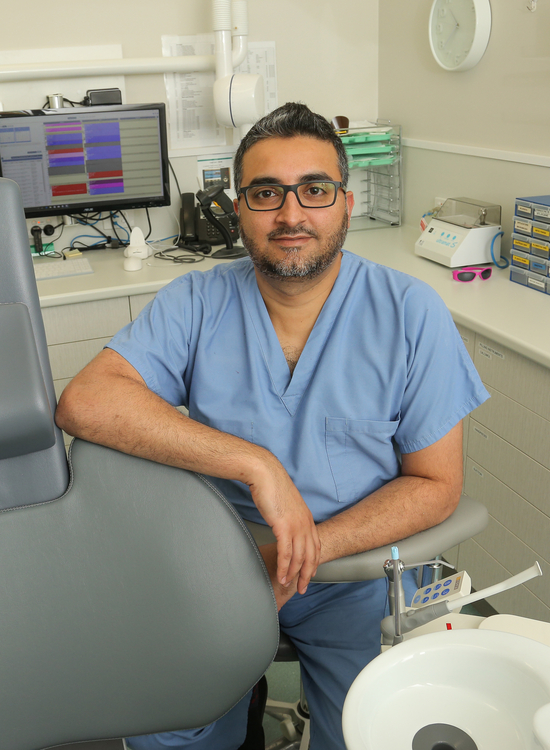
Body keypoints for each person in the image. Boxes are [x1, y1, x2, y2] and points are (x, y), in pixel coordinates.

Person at [55, 102, 490, 750]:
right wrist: (257, 465)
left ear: (345, 202)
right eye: (266, 193)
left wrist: (305, 549)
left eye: (314, 190)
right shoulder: (198, 300)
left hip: (354, 570)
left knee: (372, 731)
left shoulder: (410, 315)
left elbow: (436, 485)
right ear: (238, 209)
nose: (291, 215)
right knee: (173, 735)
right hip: (213, 564)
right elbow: (85, 402)